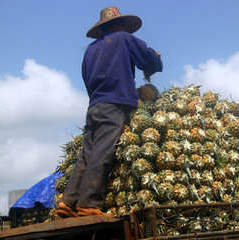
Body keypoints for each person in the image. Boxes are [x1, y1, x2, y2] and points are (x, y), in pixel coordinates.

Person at [56, 6, 163, 218]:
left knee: (86, 154)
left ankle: (68, 202)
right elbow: (148, 60)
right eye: (124, 25)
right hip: (115, 104)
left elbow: (87, 79)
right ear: (119, 25)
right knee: (103, 151)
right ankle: (89, 204)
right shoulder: (124, 38)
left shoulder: (90, 49)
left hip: (95, 105)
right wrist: (156, 58)